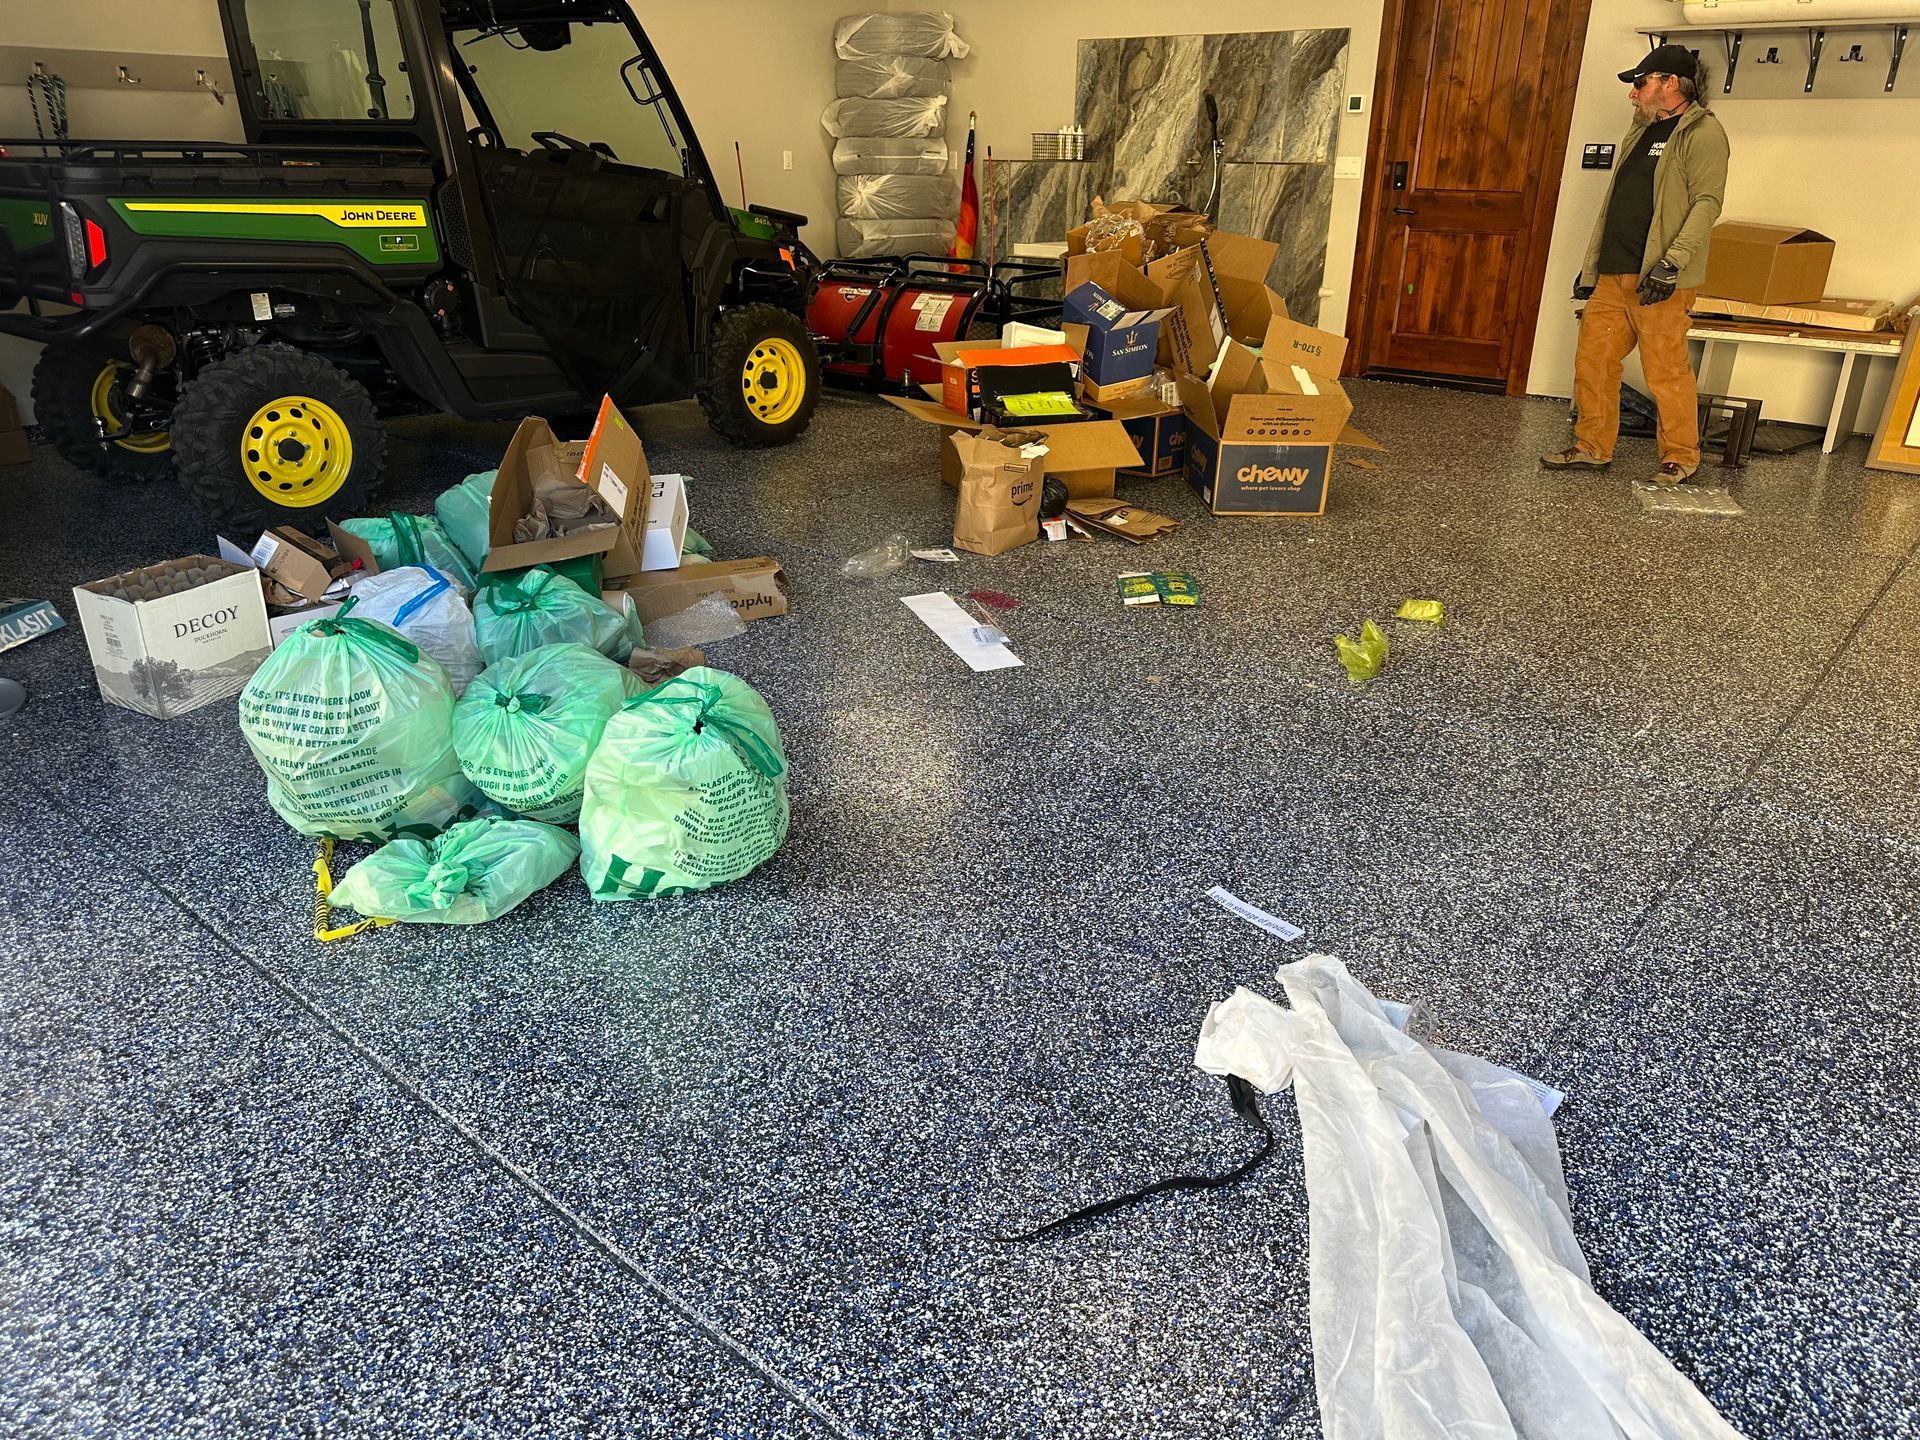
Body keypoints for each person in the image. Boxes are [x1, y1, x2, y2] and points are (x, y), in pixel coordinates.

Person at [1543, 45, 1729, 486]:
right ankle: (1592, 446)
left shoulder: (1703, 133)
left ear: (1670, 83)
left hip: (1660, 278)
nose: (1633, 93)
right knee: (1594, 360)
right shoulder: (1641, 129)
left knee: (1666, 371)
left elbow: (1707, 203)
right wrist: (1592, 267)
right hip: (1614, 272)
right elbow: (1618, 201)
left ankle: (1680, 456)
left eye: (1640, 83)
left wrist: (1672, 263)